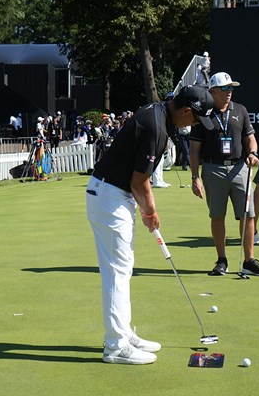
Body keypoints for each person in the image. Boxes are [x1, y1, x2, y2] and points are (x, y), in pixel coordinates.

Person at [86, 85, 214, 365]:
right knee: (117, 271)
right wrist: (151, 213)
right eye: (195, 120)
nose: (193, 125)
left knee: (124, 267)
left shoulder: (159, 115)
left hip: (114, 195)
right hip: (110, 197)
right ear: (186, 111)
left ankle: (122, 333)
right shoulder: (156, 127)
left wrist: (147, 208)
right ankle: (116, 346)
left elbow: (140, 180)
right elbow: (138, 182)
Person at [189, 71, 259, 276]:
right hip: (212, 168)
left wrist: (253, 153)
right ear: (213, 91)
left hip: (239, 168)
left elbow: (250, 137)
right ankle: (222, 260)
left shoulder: (240, 110)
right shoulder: (203, 114)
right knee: (217, 215)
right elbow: (194, 149)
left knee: (248, 214)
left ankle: (249, 261)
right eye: (225, 88)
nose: (229, 92)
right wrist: (195, 176)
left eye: (231, 88)